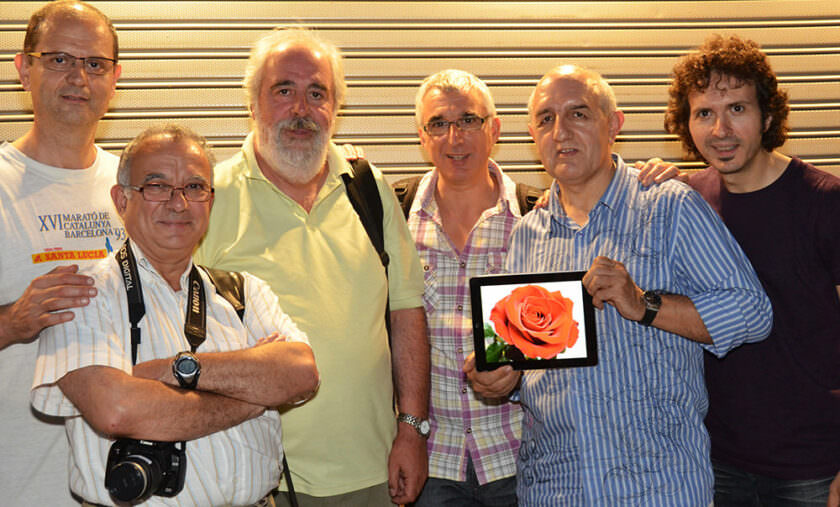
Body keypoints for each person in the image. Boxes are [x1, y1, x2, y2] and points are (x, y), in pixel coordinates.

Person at [466, 64, 773, 506]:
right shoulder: (527, 234)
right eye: (546, 119)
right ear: (533, 135)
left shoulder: (670, 207)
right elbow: (529, 361)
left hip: (657, 489)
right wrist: (501, 377)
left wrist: (644, 304)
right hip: (556, 490)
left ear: (613, 125)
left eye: (579, 114)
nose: (561, 132)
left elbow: (752, 312)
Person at [194, 27, 429, 506]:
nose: (301, 108)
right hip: (257, 478)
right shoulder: (208, 197)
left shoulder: (368, 188)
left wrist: (411, 427)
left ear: (335, 108)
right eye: (284, 91)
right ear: (253, 103)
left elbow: (406, 311)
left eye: (317, 93)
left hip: (373, 471)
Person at [30, 124, 320, 506]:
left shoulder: (243, 293)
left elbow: (300, 372)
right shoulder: (82, 294)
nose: (179, 203)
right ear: (121, 200)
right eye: (157, 186)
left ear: (210, 201)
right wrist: (253, 399)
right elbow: (116, 410)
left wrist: (175, 370)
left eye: (195, 187)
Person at [661, 34, 840, 506]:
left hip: (813, 463)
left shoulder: (824, 201)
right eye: (704, 113)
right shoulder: (687, 201)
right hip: (717, 459)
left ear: (768, 116)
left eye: (737, 109)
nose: (720, 129)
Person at [0, 2, 123, 503]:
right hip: (20, 485)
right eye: (58, 60)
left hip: (127, 483)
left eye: (94, 63)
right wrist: (12, 322)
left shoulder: (141, 188)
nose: (78, 77)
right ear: (23, 69)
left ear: (115, 79)